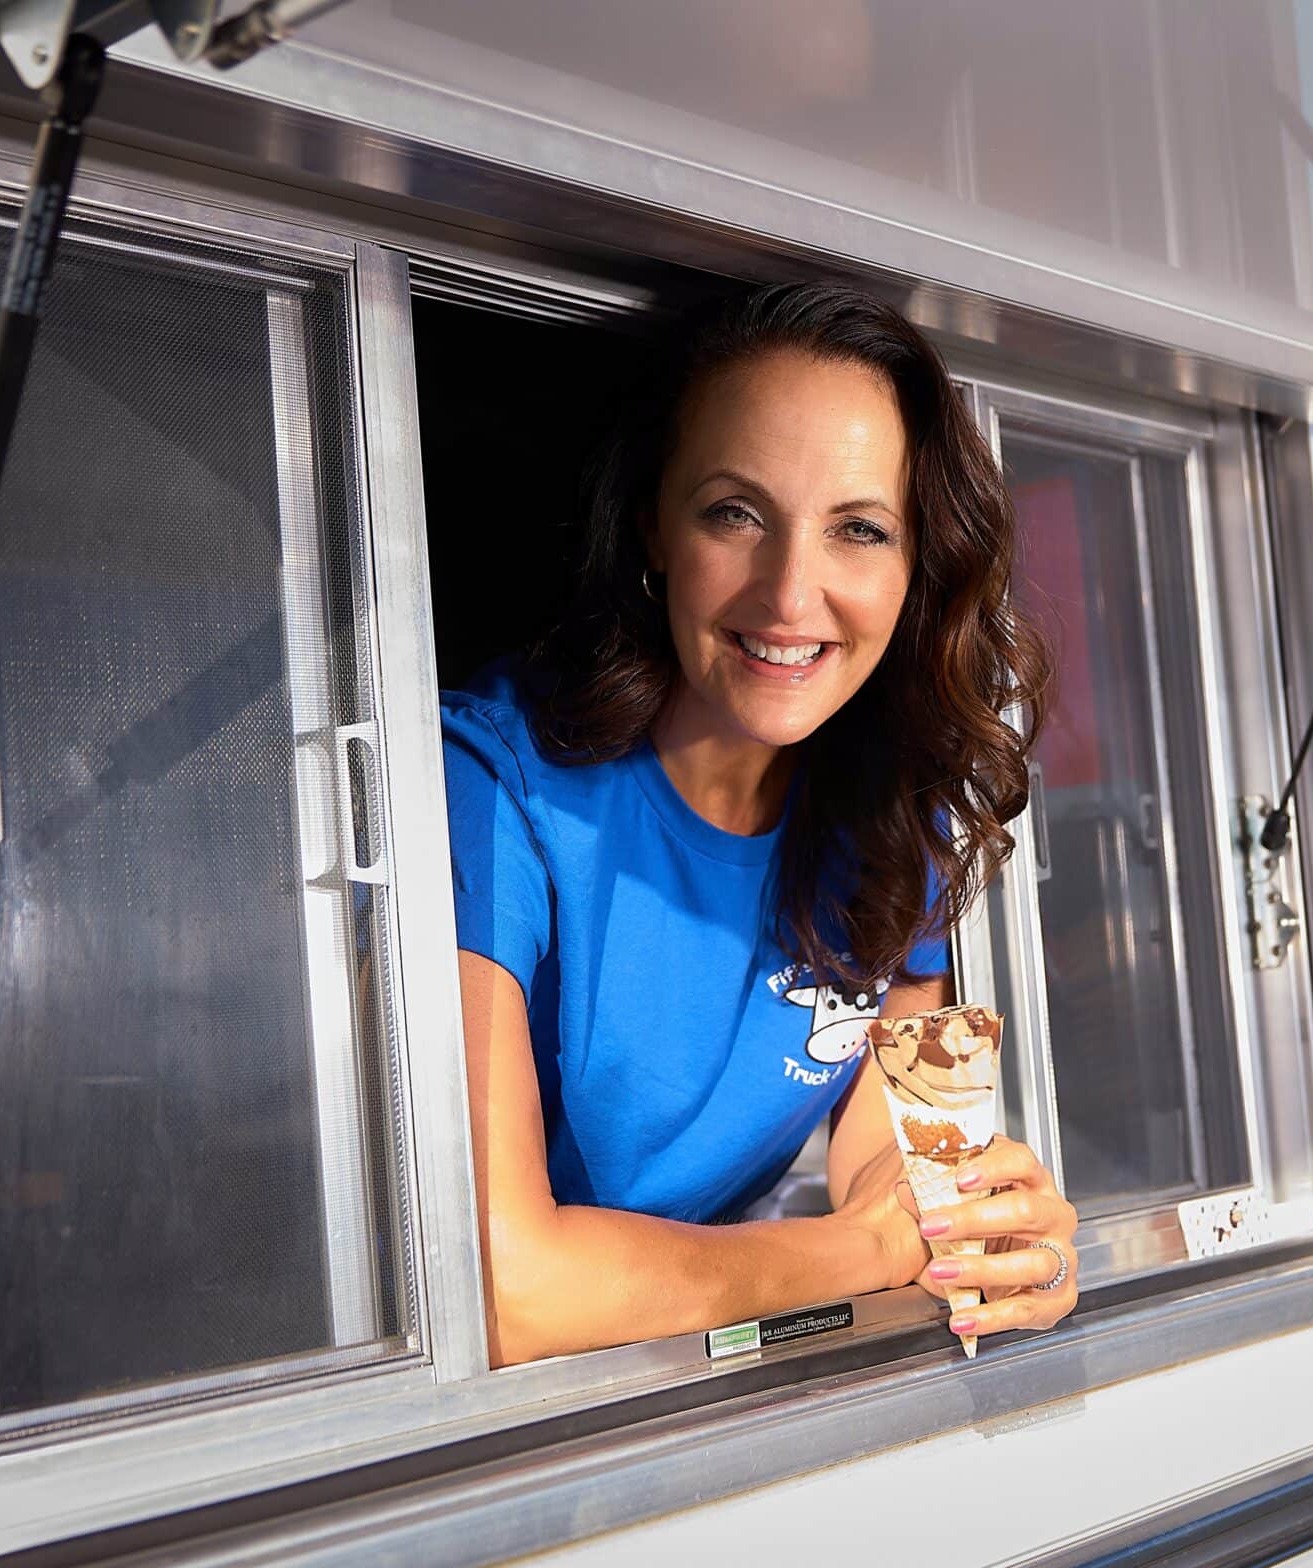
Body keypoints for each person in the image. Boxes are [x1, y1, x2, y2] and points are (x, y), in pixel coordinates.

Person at [443, 282, 1076, 1366]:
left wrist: (1008, 1248)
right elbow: (504, 1292)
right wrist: (855, 1252)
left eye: (859, 530)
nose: (790, 595)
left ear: (917, 564)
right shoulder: (493, 783)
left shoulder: (903, 805)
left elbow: (905, 1166)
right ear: (652, 523)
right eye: (735, 513)